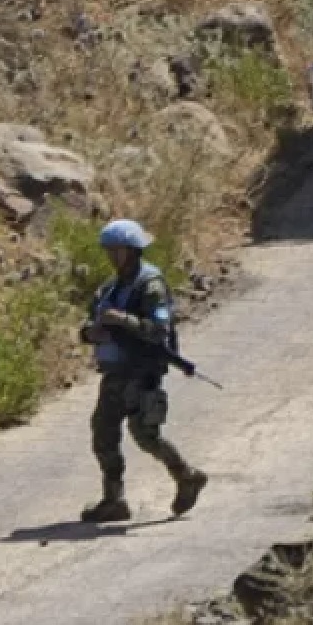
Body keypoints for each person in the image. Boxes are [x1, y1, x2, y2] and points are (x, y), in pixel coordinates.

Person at [78, 219, 207, 524]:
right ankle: (114, 499)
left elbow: (157, 330)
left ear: (132, 251)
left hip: (140, 370)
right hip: (114, 371)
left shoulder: (150, 285)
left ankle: (186, 476)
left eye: (117, 250)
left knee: (144, 435)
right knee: (103, 433)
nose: (111, 256)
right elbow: (90, 322)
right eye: (108, 250)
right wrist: (89, 333)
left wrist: (123, 321)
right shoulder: (110, 287)